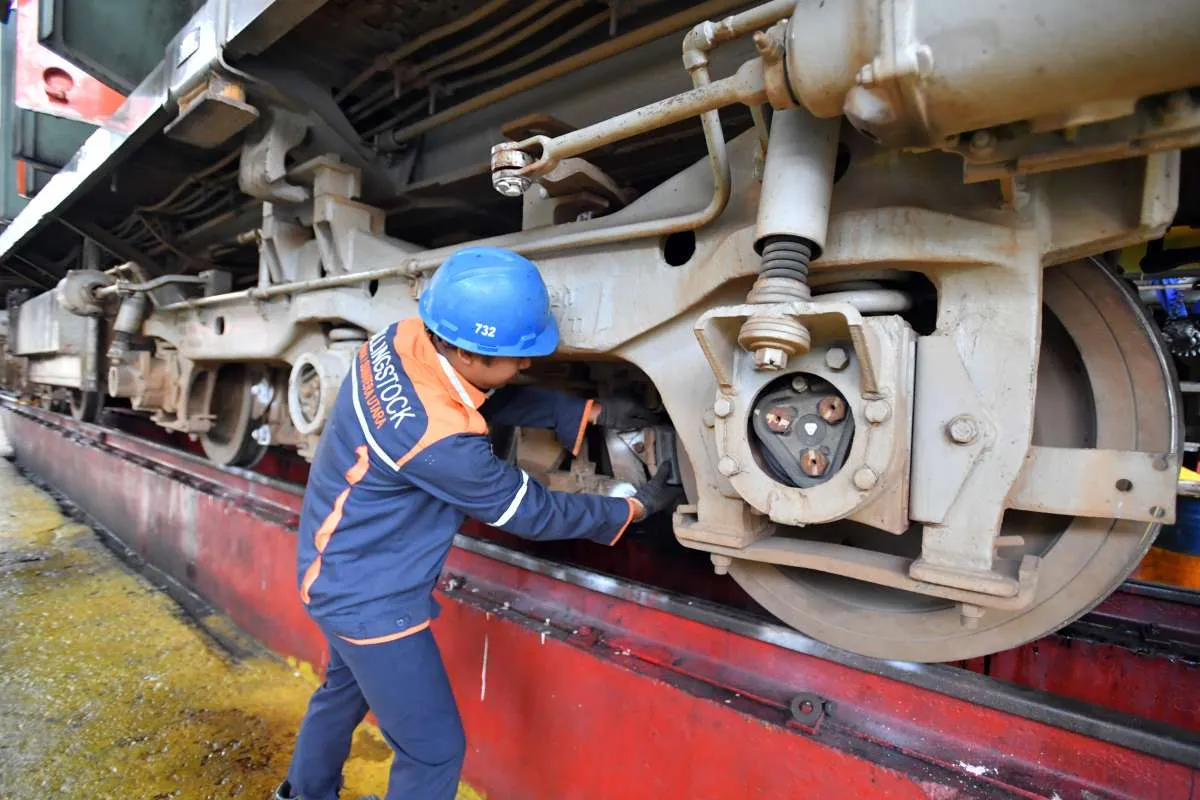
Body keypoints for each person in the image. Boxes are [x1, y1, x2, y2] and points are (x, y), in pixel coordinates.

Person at [274, 246, 678, 800]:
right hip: (369, 599)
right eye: (517, 357)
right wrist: (633, 507)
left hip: (332, 563)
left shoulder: (400, 338)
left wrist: (582, 413)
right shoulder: (443, 446)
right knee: (434, 752)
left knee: (341, 692)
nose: (527, 365)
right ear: (466, 353)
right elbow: (534, 512)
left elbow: (474, 399)